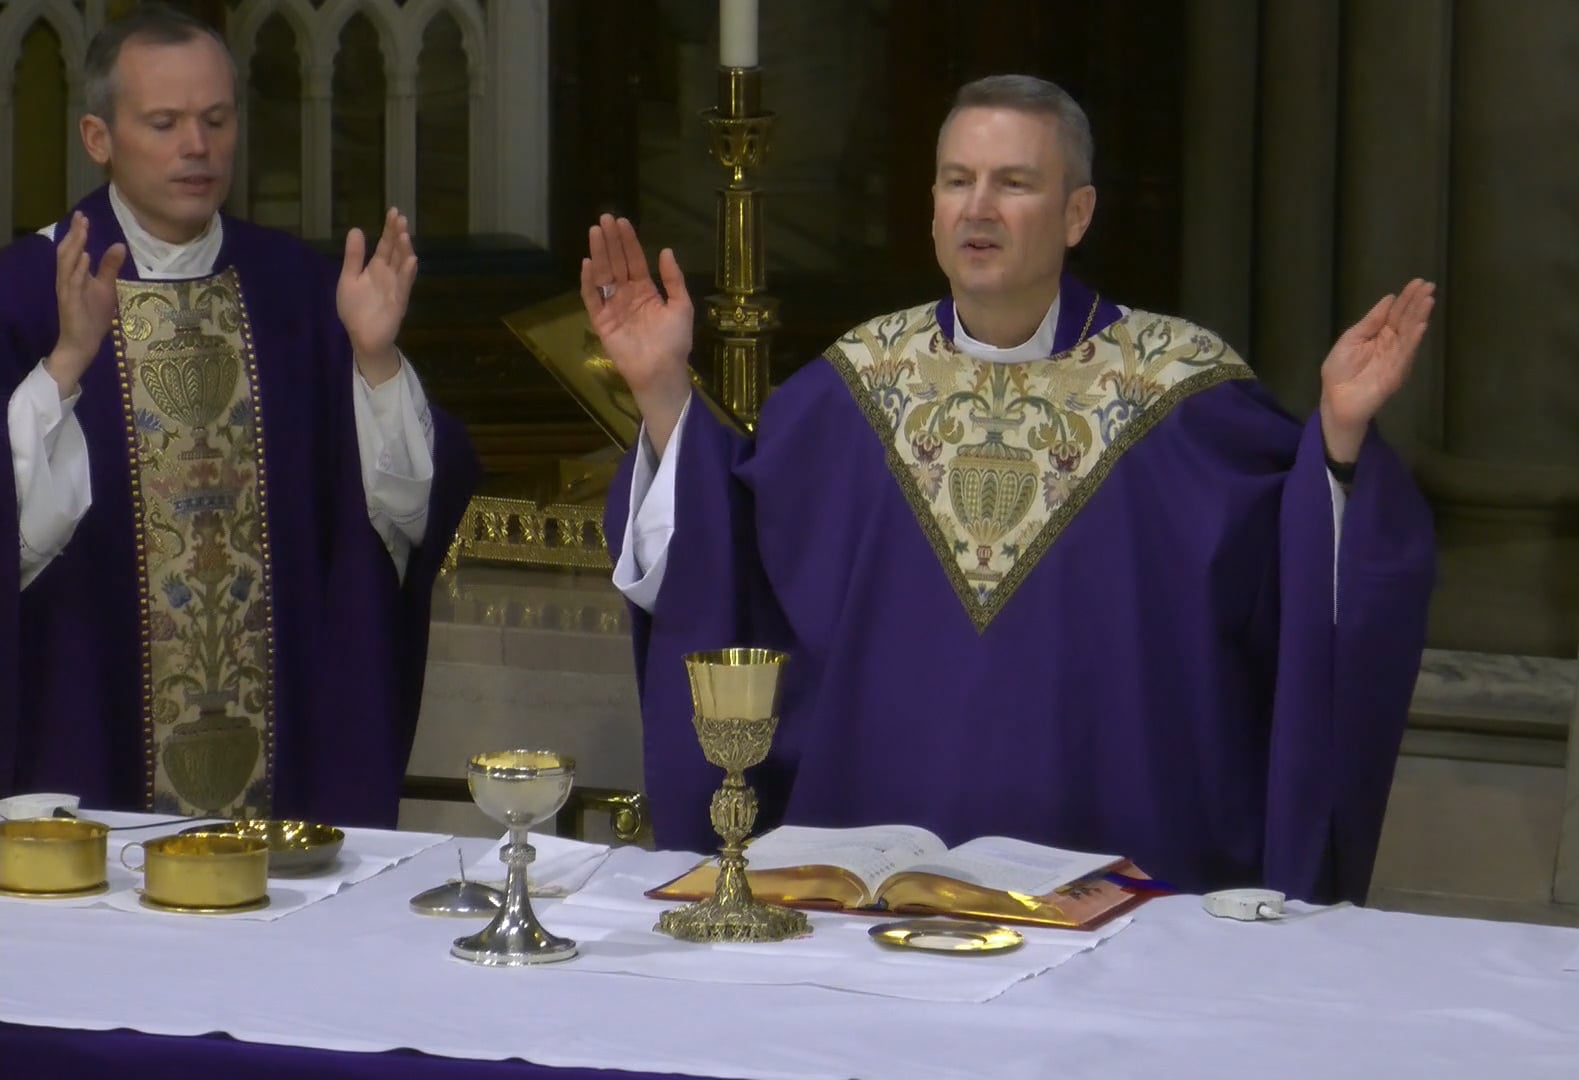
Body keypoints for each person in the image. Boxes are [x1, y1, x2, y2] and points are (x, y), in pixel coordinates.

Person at [592, 75, 1436, 902]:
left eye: (1013, 183)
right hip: (870, 887)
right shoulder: (849, 393)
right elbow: (733, 584)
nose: (978, 207)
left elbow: (1297, 587)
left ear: (1077, 214)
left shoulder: (1183, 395)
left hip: (1120, 882)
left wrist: (1338, 433)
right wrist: (665, 390)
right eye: (957, 181)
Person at [0, 5, 477, 827]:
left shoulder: (297, 292)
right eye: (165, 122)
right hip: (85, 751)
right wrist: (67, 363)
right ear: (98, 137)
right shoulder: (25, 293)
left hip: (279, 787)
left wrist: (373, 360)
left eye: (217, 120)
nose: (198, 146)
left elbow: (396, 517)